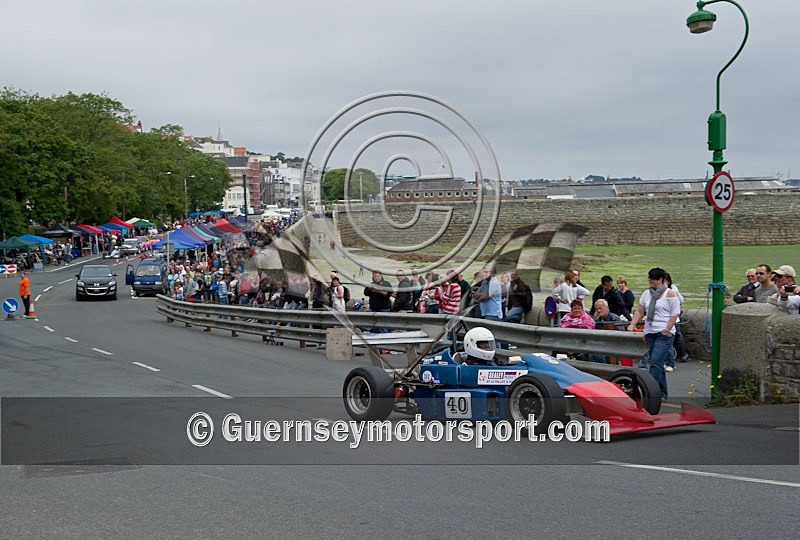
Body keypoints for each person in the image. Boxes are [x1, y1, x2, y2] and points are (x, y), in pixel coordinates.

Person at [627, 267, 680, 400]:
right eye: (649, 279)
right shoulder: (647, 294)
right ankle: (661, 393)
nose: (651, 281)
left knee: (655, 361)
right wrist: (633, 324)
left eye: (654, 279)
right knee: (657, 363)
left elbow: (675, 313)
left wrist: (668, 328)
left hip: (664, 333)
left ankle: (649, 391)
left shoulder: (670, 294)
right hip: (650, 331)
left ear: (661, 280)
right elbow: (640, 311)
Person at [664, 272, 689, 369]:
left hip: (673, 318)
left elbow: (680, 300)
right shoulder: (672, 288)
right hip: (672, 318)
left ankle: (680, 355)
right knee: (677, 336)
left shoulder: (672, 289)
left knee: (674, 337)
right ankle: (682, 354)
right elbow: (681, 301)